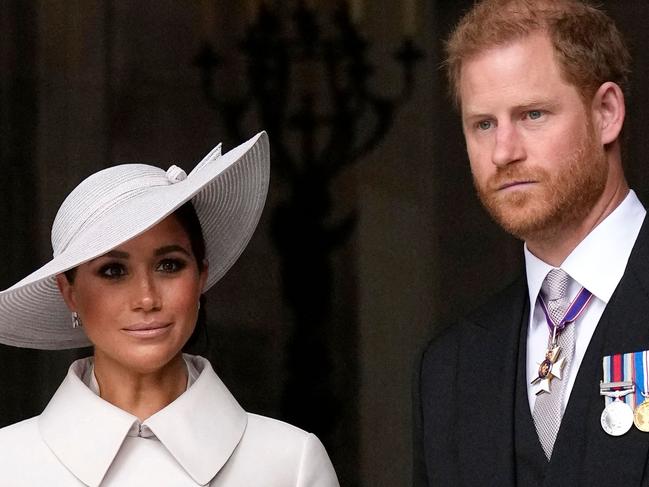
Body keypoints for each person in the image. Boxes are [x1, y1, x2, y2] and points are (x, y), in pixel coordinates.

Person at [0, 132, 340, 486]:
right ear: (69, 293)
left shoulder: (289, 463)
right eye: (113, 271)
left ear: (201, 275)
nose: (146, 299)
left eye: (169, 265)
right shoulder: (8, 463)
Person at [413, 0, 649, 485]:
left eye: (532, 114)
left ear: (606, 113)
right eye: (483, 124)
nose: (503, 152)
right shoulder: (449, 371)